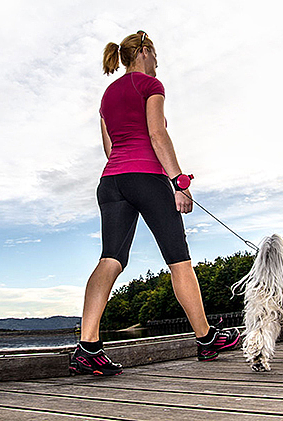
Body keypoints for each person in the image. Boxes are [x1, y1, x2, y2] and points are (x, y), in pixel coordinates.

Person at [69, 31, 240, 376]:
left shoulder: (107, 94)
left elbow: (109, 148)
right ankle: (207, 340)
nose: (158, 62)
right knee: (179, 260)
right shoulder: (150, 85)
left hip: (111, 181)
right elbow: (157, 135)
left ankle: (87, 347)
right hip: (147, 177)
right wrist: (179, 181)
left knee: (111, 259)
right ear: (144, 52)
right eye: (156, 55)